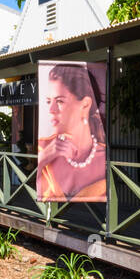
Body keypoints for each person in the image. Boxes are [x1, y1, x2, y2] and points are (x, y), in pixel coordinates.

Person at [36, 63, 107, 202]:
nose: (51, 109)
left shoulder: (104, 156)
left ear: (85, 104)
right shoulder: (42, 147)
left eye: (60, 101)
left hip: (94, 221)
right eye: (48, 101)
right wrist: (44, 158)